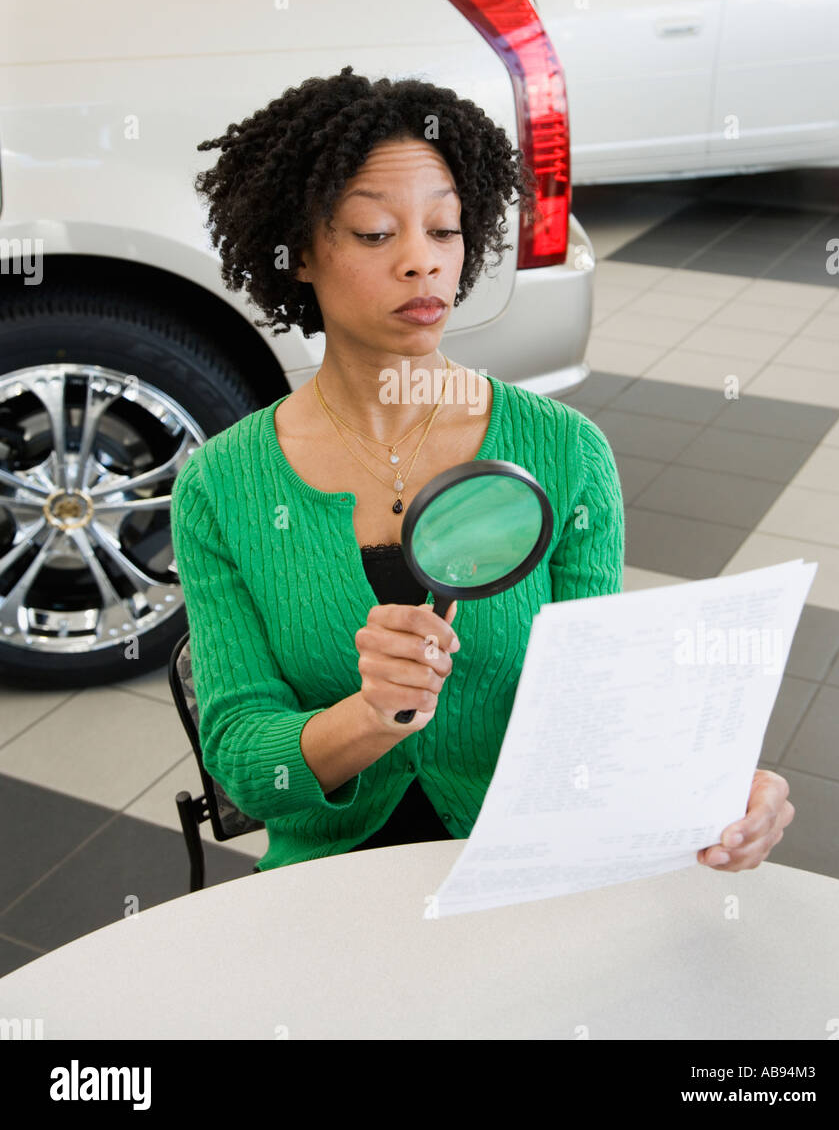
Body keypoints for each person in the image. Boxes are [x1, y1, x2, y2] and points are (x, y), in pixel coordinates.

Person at [169, 65, 794, 875]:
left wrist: (718, 785)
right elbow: (246, 762)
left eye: (444, 230)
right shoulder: (221, 487)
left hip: (525, 864)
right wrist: (368, 716)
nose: (422, 264)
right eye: (373, 234)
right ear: (298, 255)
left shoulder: (565, 452)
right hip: (327, 886)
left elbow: (593, 704)